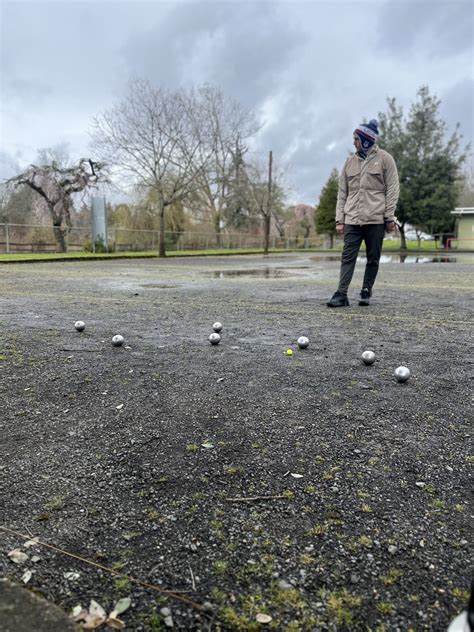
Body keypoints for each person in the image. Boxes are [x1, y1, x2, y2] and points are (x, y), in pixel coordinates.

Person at [327, 119, 399, 307]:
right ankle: (341, 293)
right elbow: (342, 192)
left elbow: (393, 189)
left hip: (376, 219)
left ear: (366, 140)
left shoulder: (385, 159)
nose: (353, 142)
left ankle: (366, 290)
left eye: (356, 139)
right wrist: (339, 220)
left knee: (373, 257)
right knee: (347, 256)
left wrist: (389, 216)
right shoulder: (349, 163)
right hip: (352, 218)